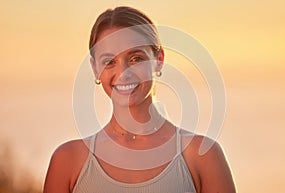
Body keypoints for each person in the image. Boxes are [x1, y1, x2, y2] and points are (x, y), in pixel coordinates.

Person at [43, 6, 236, 193]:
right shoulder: (68, 161)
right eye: (109, 62)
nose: (123, 73)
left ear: (158, 59)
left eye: (136, 58)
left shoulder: (203, 156)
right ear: (95, 68)